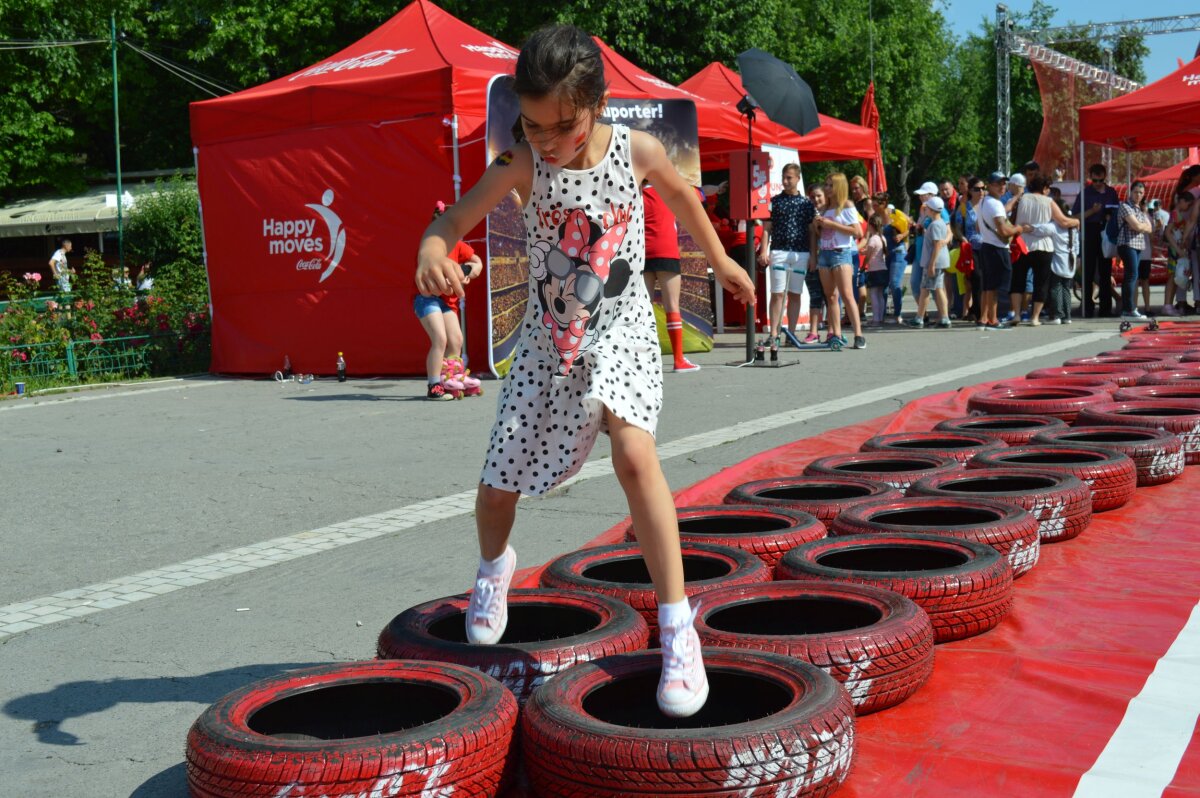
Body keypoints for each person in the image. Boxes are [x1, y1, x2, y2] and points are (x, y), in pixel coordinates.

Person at [415, 24, 754, 718]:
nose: (548, 140)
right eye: (534, 126)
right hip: (549, 340)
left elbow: (685, 199)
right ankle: (493, 569)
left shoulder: (638, 151)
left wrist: (718, 260)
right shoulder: (520, 163)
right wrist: (431, 249)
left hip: (622, 329)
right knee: (497, 483)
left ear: (597, 103)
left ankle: (676, 625)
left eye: (562, 125)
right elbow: (451, 220)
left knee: (635, 455)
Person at [416, 201, 484, 400]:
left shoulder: (459, 246)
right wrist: (456, 278)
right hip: (427, 299)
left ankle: (452, 377)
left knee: (456, 340)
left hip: (447, 302)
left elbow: (477, 262)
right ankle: (434, 385)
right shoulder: (428, 248)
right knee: (440, 339)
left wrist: (469, 272)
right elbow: (436, 282)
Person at [643, 181, 700, 372]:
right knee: (672, 306)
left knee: (644, 309)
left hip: (642, 253)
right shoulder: (668, 189)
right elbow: (700, 196)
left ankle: (645, 361)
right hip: (666, 251)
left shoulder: (633, 191)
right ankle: (678, 360)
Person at [757, 163, 816, 347]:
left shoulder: (807, 204)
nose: (785, 181)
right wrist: (763, 250)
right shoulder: (775, 201)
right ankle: (774, 333)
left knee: (795, 294)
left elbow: (812, 231)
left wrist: (813, 255)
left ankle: (790, 333)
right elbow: (767, 228)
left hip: (801, 253)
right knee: (777, 294)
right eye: (784, 177)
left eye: (789, 177)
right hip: (779, 252)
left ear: (798, 178)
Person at [1013, 176, 1077, 326]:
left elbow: (1012, 218)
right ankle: (1034, 317)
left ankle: (1016, 314)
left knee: (1017, 281)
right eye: (1048, 189)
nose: (1048, 192)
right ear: (1044, 189)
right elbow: (1063, 221)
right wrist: (1076, 221)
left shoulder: (1021, 199)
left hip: (1021, 244)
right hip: (1043, 247)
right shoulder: (1049, 202)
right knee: (1041, 283)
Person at [813, 173, 866, 349]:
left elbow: (858, 232)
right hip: (825, 254)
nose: (827, 188)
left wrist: (831, 224)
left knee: (847, 295)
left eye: (830, 185)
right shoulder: (825, 209)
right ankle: (836, 333)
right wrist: (818, 226)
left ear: (838, 187)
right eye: (826, 185)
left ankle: (858, 334)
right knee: (831, 296)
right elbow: (823, 235)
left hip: (841, 253)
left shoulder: (847, 206)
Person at [1071, 163, 1120, 318]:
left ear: (1105, 178)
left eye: (1100, 180)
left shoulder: (1111, 192)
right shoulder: (1085, 193)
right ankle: (1087, 307)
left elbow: (1117, 211)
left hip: (1105, 230)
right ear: (1090, 178)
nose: (1098, 184)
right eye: (1095, 180)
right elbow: (1074, 217)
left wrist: (1110, 216)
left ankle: (1106, 308)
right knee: (1088, 270)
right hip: (1090, 231)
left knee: (1106, 271)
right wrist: (1092, 211)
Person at [1024, 195, 1079, 324]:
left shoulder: (1055, 225)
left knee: (1055, 287)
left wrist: (1028, 227)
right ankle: (1067, 316)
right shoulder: (1073, 226)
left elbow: (1040, 229)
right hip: (1070, 260)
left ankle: (1056, 315)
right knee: (1066, 288)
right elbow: (1076, 245)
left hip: (1057, 260)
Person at [976, 171, 1020, 330]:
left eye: (1003, 183)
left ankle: (985, 318)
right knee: (997, 286)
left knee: (988, 286)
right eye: (998, 183)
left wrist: (1015, 198)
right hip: (997, 248)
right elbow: (1003, 231)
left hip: (986, 246)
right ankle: (994, 319)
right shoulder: (995, 204)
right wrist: (1018, 228)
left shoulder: (983, 202)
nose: (1002, 187)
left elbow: (977, 226)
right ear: (990, 185)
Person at [908, 196, 951, 328]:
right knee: (937, 289)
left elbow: (937, 245)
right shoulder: (939, 223)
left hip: (934, 263)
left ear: (931, 210)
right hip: (938, 262)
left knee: (925, 289)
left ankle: (919, 318)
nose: (925, 210)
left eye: (927, 208)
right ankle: (944, 318)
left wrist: (931, 264)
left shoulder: (935, 224)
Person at [1115, 181, 1153, 320]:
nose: (1138, 195)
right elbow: (1137, 226)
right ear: (1130, 192)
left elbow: (1149, 228)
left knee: (1132, 276)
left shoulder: (1140, 209)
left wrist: (1141, 225)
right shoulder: (1125, 207)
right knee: (1132, 275)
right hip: (1126, 244)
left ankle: (1128, 308)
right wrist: (1141, 226)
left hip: (1138, 245)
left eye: (1141, 193)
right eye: (1136, 192)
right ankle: (1129, 309)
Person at [803, 185, 827, 342]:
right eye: (812, 196)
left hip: (830, 258)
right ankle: (813, 331)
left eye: (819, 196)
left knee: (831, 297)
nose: (816, 199)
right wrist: (812, 257)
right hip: (813, 258)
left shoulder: (832, 212)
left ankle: (834, 331)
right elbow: (811, 235)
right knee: (815, 295)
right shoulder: (808, 213)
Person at [881, 198, 909, 322]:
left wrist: (902, 235)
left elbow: (911, 225)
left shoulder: (898, 218)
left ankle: (897, 314)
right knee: (884, 285)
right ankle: (882, 313)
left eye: (890, 210)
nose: (889, 211)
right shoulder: (878, 218)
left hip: (898, 252)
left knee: (894, 283)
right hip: (885, 254)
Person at [863, 212, 889, 326]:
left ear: (871, 225)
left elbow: (868, 256)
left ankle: (876, 319)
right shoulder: (882, 237)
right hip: (883, 269)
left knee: (873, 294)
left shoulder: (873, 239)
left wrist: (863, 266)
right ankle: (881, 317)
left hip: (874, 270)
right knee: (880, 294)